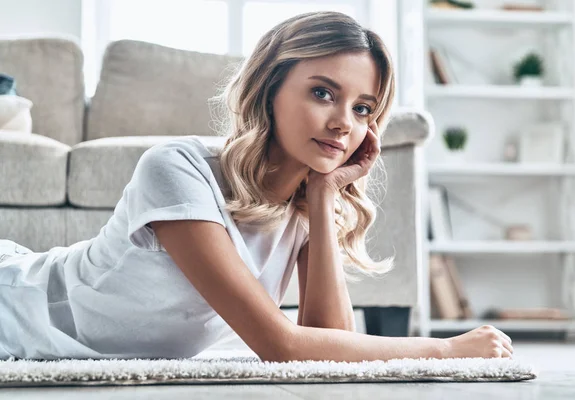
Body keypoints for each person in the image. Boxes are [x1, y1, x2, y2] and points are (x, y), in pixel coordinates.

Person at [0, 11, 513, 361]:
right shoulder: (177, 169)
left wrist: (323, 196)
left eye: (362, 108)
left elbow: (329, 350)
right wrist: (443, 349)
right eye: (322, 93)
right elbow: (281, 345)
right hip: (15, 305)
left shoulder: (305, 205)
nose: (342, 123)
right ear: (269, 90)